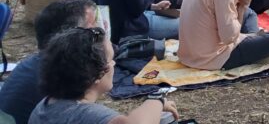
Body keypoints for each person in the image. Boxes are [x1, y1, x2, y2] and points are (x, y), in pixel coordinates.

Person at [28, 26, 178, 124]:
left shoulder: (44, 106)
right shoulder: (87, 115)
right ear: (97, 75)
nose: (114, 65)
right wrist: (156, 100)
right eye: (111, 60)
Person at [0, 0, 97, 124]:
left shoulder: (38, 62)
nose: (101, 33)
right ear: (70, 38)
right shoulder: (66, 77)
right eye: (93, 29)